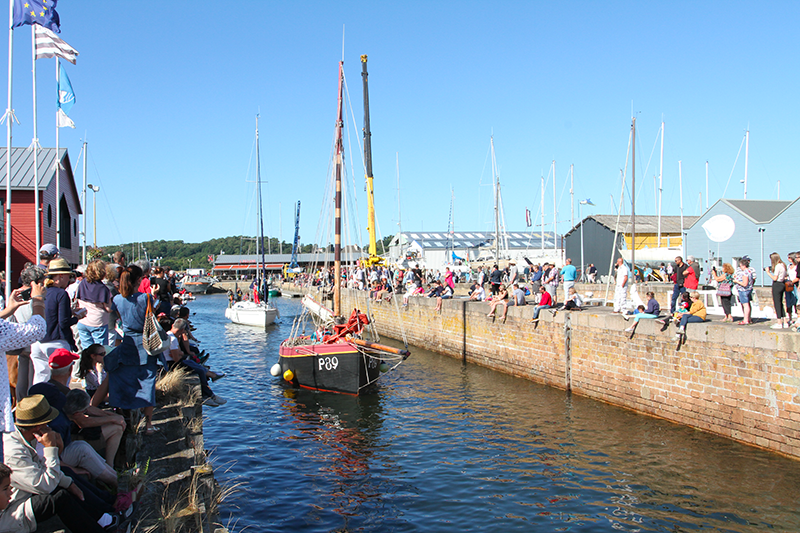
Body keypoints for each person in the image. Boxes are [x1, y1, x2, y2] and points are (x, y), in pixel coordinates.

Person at [3, 395, 116, 532]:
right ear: (39, 427)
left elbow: (45, 471)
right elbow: (45, 486)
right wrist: (50, 448)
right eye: (47, 423)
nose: (49, 426)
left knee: (66, 477)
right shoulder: (13, 452)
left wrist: (69, 483)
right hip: (11, 510)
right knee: (60, 497)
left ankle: (107, 513)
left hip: (26, 494)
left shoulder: (23, 438)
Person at [105, 264, 160, 434]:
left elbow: (116, 316)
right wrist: (154, 295)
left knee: (127, 380)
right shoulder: (145, 298)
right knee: (148, 382)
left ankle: (126, 416)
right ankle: (148, 424)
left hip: (127, 343)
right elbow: (151, 316)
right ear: (138, 280)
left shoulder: (117, 299)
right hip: (145, 343)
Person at [30, 258, 81, 386]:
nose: (69, 280)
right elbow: (63, 322)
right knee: (60, 382)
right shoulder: (61, 294)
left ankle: (39, 405)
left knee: (40, 379)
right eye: (68, 277)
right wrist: (77, 317)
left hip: (37, 342)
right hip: (56, 341)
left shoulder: (42, 292)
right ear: (61, 276)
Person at [75, 259, 112, 349]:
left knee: (87, 350)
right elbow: (108, 308)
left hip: (83, 320)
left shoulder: (82, 283)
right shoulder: (103, 288)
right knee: (100, 350)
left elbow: (77, 298)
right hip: (98, 322)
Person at [765, 252, 788, 329]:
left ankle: (779, 322)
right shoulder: (783, 265)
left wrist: (768, 273)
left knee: (777, 303)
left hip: (777, 284)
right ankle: (785, 321)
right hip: (782, 284)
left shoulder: (778, 266)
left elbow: (775, 278)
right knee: (781, 303)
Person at [733, 257, 755, 325]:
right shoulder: (749, 271)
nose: (740, 267)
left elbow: (745, 284)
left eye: (741, 265)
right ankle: (749, 319)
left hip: (743, 290)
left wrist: (736, 281)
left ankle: (746, 320)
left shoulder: (745, 272)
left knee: (745, 305)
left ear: (744, 265)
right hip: (749, 289)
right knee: (747, 304)